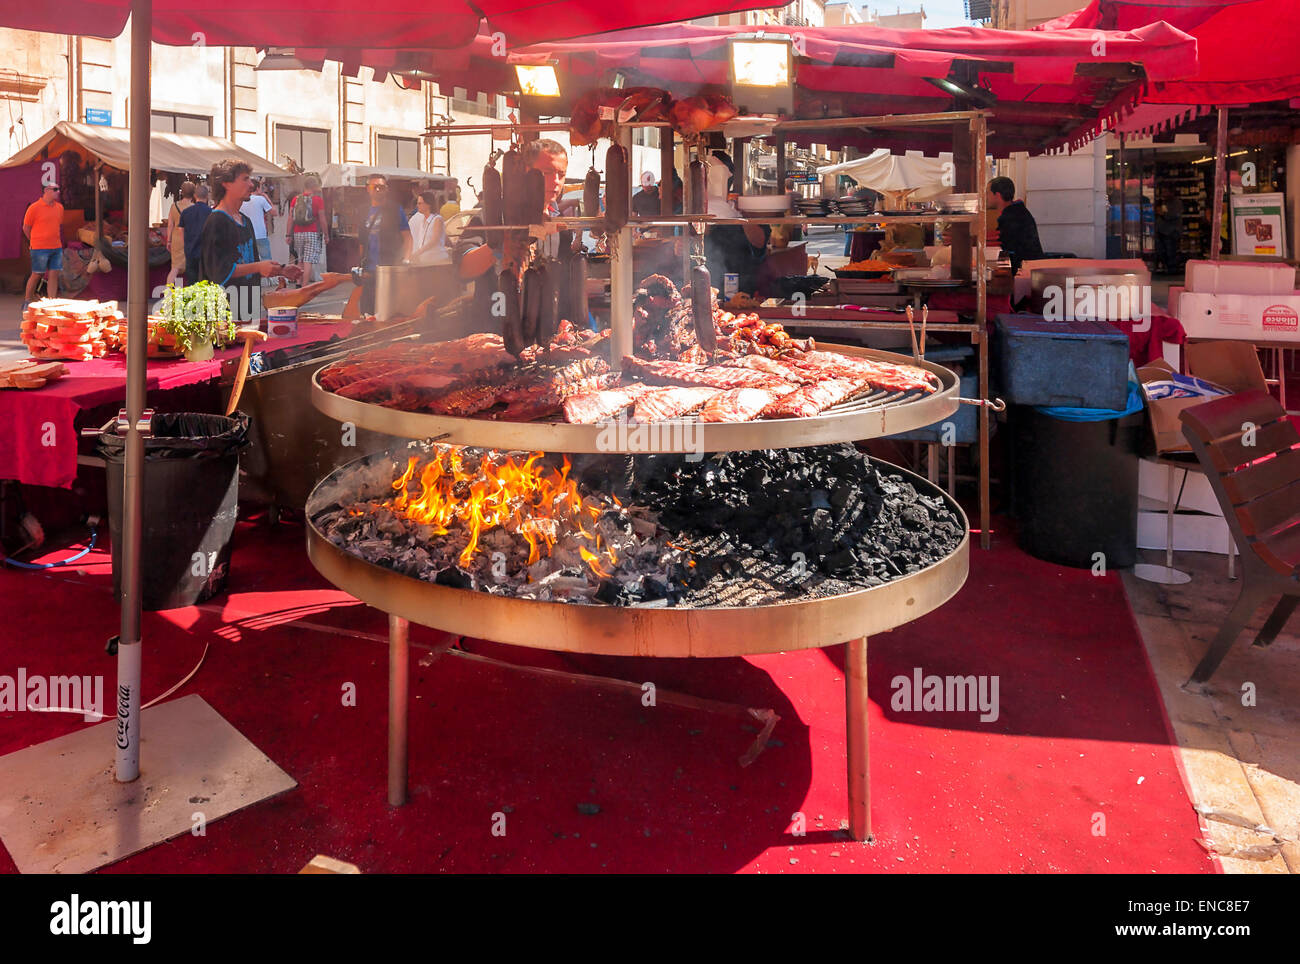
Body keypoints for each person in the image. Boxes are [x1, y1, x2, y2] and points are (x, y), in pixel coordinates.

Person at [200, 159, 278, 322]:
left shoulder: (246, 221)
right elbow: (220, 271)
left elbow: (250, 265)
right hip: (225, 316)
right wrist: (259, 266)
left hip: (249, 310)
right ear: (226, 183)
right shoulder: (216, 221)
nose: (251, 184)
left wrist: (280, 270)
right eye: (245, 179)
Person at [358, 173, 412, 314]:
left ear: (386, 189)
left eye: (381, 187)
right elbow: (362, 241)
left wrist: (406, 259)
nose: (377, 190)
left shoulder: (395, 209)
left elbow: (407, 237)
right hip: (369, 270)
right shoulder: (363, 210)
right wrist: (360, 266)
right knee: (367, 311)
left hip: (389, 269)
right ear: (367, 189)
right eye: (374, 186)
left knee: (388, 311)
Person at [986, 176, 1043, 274]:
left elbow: (1008, 254)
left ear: (997, 195)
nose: (985, 197)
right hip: (1032, 270)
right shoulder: (1017, 211)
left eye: (987, 193)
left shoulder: (1011, 218)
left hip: (1026, 275)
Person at [22, 184, 64, 308]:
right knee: (37, 274)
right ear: (46, 190)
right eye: (55, 189)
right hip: (39, 248)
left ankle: (51, 302)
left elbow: (58, 225)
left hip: (56, 247)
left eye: (58, 189)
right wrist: (34, 241)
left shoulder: (59, 208)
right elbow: (26, 228)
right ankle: (27, 301)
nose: (58, 192)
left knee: (53, 275)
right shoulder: (34, 208)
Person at [285, 174, 326, 284]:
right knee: (308, 261)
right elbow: (322, 219)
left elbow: (290, 218)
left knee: (300, 259)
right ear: (314, 186)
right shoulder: (318, 200)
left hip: (298, 233)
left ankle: (298, 284)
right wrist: (326, 235)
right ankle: (304, 287)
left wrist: (288, 234)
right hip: (312, 233)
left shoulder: (295, 199)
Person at [179, 183, 213, 287]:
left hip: (190, 251)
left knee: (192, 282)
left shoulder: (185, 212)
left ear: (195, 196)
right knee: (206, 283)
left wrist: (186, 246)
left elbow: (181, 231)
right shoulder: (212, 212)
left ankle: (193, 302)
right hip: (207, 253)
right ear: (207, 196)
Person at [164, 181, 196, 286]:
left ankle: (168, 293)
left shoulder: (174, 206)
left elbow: (170, 225)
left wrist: (169, 240)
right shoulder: (194, 208)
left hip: (177, 239)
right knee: (191, 268)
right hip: (190, 239)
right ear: (194, 193)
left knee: (175, 269)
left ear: (182, 192)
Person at [407, 190, 450, 265]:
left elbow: (434, 241)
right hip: (426, 262)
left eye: (420, 203)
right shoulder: (422, 220)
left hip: (437, 262)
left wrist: (417, 253)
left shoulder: (437, 219)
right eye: (417, 203)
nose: (417, 206)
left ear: (428, 204)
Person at [240, 178, 275, 261]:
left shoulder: (241, 200)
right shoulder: (260, 199)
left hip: (247, 235)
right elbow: (274, 212)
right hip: (261, 234)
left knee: (250, 260)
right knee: (266, 260)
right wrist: (267, 197)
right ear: (257, 188)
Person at [1155, 187, 1184, 274]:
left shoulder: (1177, 203)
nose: (1163, 194)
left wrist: (1162, 214)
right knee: (1161, 251)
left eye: (1165, 192)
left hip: (1171, 232)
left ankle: (1172, 271)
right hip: (1162, 231)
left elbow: (1173, 215)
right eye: (1162, 192)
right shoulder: (1164, 202)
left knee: (1171, 252)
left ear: (1171, 192)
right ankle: (1168, 268)